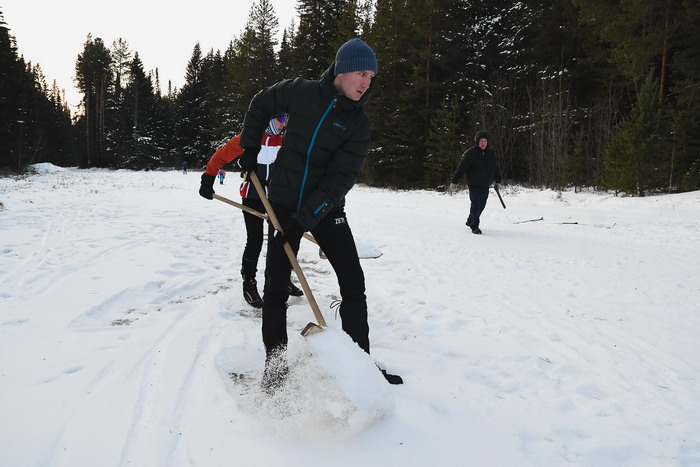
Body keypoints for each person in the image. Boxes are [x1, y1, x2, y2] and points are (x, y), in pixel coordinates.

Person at [235, 38, 403, 390]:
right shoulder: (301, 92)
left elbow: (340, 179)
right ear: (342, 71)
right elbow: (261, 103)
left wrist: (303, 220)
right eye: (361, 73)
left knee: (353, 283)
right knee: (276, 286)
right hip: (281, 201)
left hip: (325, 209)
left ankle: (362, 365)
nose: (366, 83)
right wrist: (250, 146)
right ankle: (275, 367)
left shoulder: (359, 124)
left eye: (371, 76)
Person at [199, 115, 304, 308]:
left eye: (287, 119)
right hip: (253, 196)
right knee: (255, 240)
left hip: (278, 198)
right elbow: (220, 156)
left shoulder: (287, 139)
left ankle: (281, 279)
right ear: (271, 118)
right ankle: (249, 282)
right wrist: (208, 179)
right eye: (281, 119)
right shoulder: (248, 137)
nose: (284, 124)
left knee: (282, 240)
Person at [449, 130, 502, 234]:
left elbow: (495, 168)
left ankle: (470, 219)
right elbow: (461, 168)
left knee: (482, 205)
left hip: (485, 185)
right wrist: (454, 181)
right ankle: (475, 226)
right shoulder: (470, 154)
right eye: (481, 141)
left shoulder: (491, 154)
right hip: (474, 185)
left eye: (485, 141)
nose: (483, 143)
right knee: (476, 204)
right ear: (477, 142)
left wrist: (498, 181)